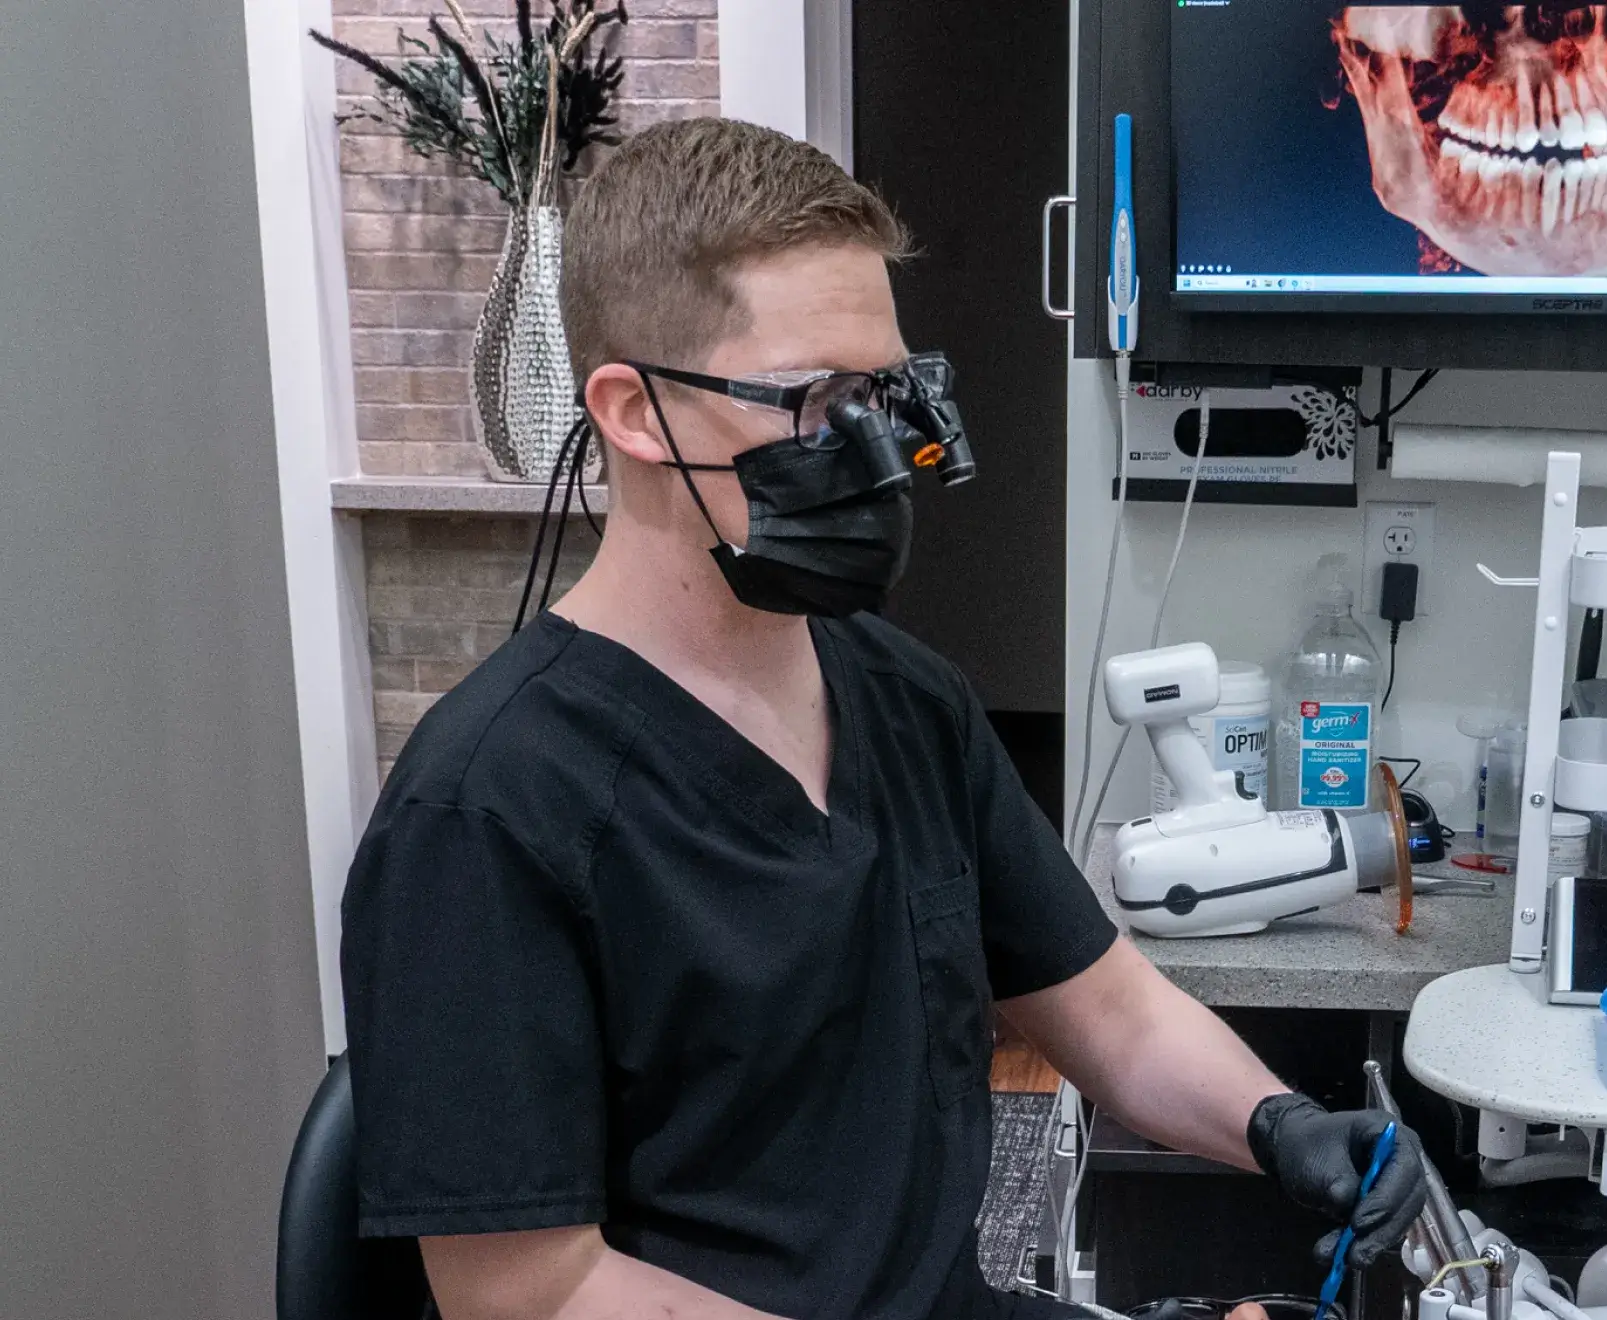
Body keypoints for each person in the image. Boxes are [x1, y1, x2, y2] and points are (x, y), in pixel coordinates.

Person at [340, 117, 1427, 1320]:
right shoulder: (486, 811)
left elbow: (1109, 1013)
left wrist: (1278, 1125)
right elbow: (528, 1294)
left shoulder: (905, 699)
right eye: (816, 402)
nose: (877, 452)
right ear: (635, 413)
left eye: (884, 394)